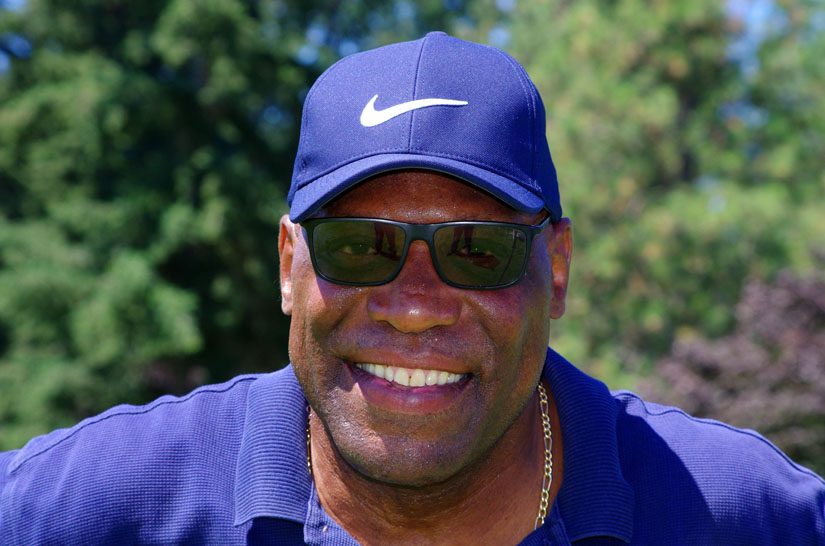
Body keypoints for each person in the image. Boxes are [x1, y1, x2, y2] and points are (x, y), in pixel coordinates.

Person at [1, 32, 823, 546]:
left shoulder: (742, 515)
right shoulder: (93, 506)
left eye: (476, 250)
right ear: (288, 264)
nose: (414, 304)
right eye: (360, 246)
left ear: (557, 268)